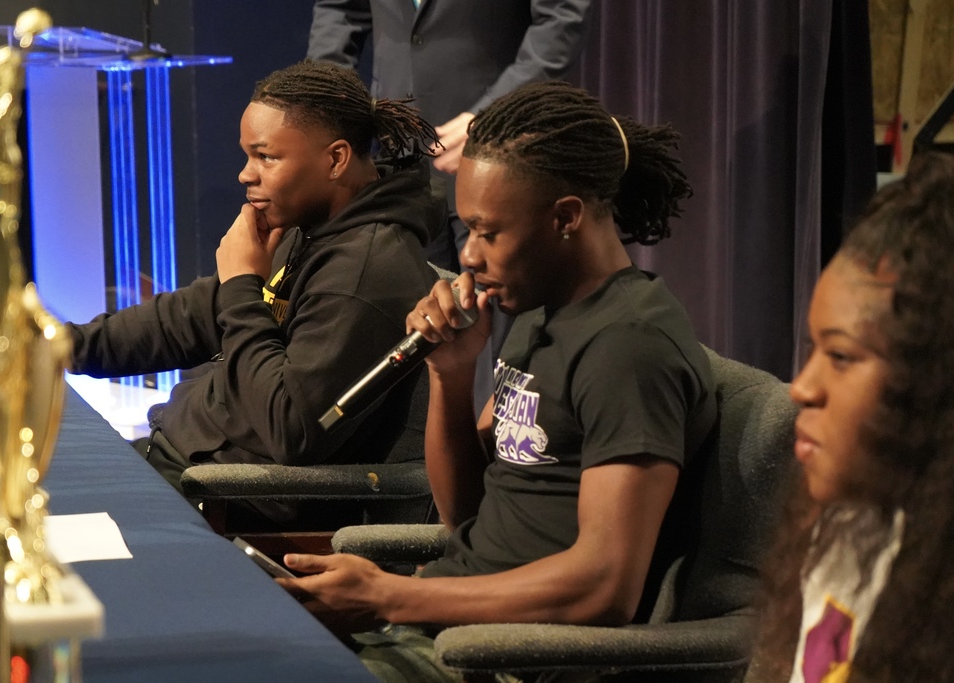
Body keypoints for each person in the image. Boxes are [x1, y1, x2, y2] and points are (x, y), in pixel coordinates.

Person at [275, 81, 717, 681]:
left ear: (565, 217)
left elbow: (604, 584)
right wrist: (451, 374)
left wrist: (392, 598)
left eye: (488, 232)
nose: (470, 259)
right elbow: (465, 513)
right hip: (447, 626)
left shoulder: (629, 346)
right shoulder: (540, 309)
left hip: (505, 659)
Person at [66, 60, 444, 526]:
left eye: (266, 157)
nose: (247, 174)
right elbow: (191, 316)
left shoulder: (364, 275)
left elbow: (291, 428)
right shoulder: (309, 226)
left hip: (227, 500)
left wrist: (243, 286)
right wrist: (61, 347)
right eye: (248, 156)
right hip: (178, 462)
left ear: (336, 159)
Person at [745, 152, 954, 682]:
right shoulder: (846, 526)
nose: (801, 389)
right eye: (813, 349)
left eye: (842, 356)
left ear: (940, 383)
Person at [306, 0, 594, 269]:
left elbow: (562, 17)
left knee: (498, 314)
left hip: (500, 159)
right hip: (400, 160)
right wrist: (326, 101)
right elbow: (339, 9)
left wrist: (494, 114)